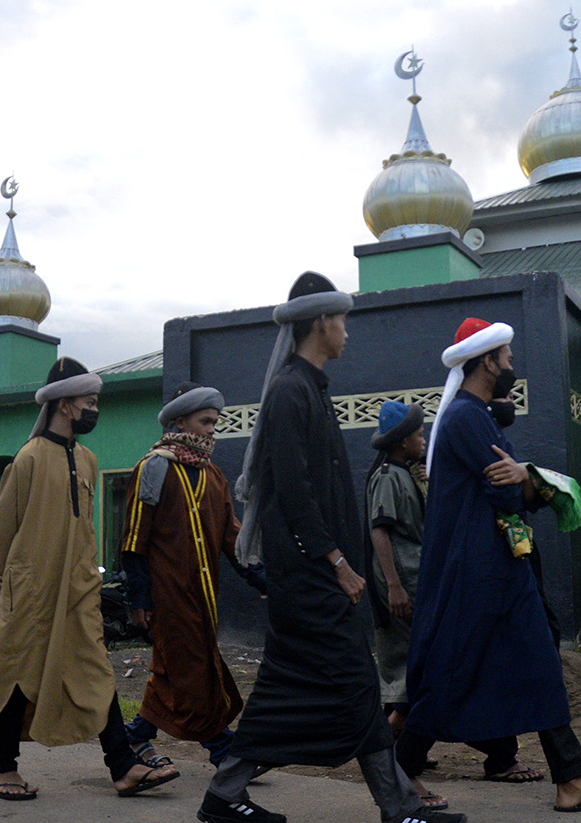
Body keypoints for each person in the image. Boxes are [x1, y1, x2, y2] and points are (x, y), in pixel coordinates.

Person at [198, 272, 463, 823]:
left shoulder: (311, 388)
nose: (347, 332)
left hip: (314, 575)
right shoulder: (290, 391)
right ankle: (397, 807)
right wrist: (336, 561)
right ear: (321, 322)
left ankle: (227, 793)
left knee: (309, 687)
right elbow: (292, 493)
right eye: (342, 321)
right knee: (351, 682)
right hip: (309, 576)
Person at [400, 318, 581, 813]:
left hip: (497, 566)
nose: (511, 363)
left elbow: (514, 486)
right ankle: (401, 771)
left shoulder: (475, 415)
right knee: (453, 670)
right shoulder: (466, 417)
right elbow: (508, 494)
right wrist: (527, 478)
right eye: (506, 356)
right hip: (477, 570)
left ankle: (570, 779)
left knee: (536, 664)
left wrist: (523, 475)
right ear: (487, 361)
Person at [0, 357, 178, 801]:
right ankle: (2, 767)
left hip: (79, 591)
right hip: (32, 593)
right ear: (64, 404)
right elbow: (1, 530)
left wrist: (90, 579)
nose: (94, 410)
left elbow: (84, 528)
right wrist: (3, 588)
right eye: (89, 402)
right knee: (21, 675)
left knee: (97, 672)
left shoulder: (88, 460)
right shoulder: (29, 458)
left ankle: (123, 766)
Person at [118, 381, 266, 771]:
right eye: (205, 421)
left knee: (174, 669)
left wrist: (260, 578)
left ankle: (136, 735)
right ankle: (223, 750)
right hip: (167, 596)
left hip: (204, 598)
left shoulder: (213, 475)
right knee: (191, 669)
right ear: (180, 421)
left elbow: (232, 536)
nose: (212, 430)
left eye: (215, 422)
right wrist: (139, 597)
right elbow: (134, 539)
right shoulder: (154, 468)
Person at [365, 400, 449, 810]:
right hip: (402, 588)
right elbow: (380, 533)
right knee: (411, 675)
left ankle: (393, 754)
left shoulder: (407, 474)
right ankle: (395, 765)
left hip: (418, 583)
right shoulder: (387, 477)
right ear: (401, 442)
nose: (423, 440)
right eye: (418, 435)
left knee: (413, 676)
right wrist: (395, 587)